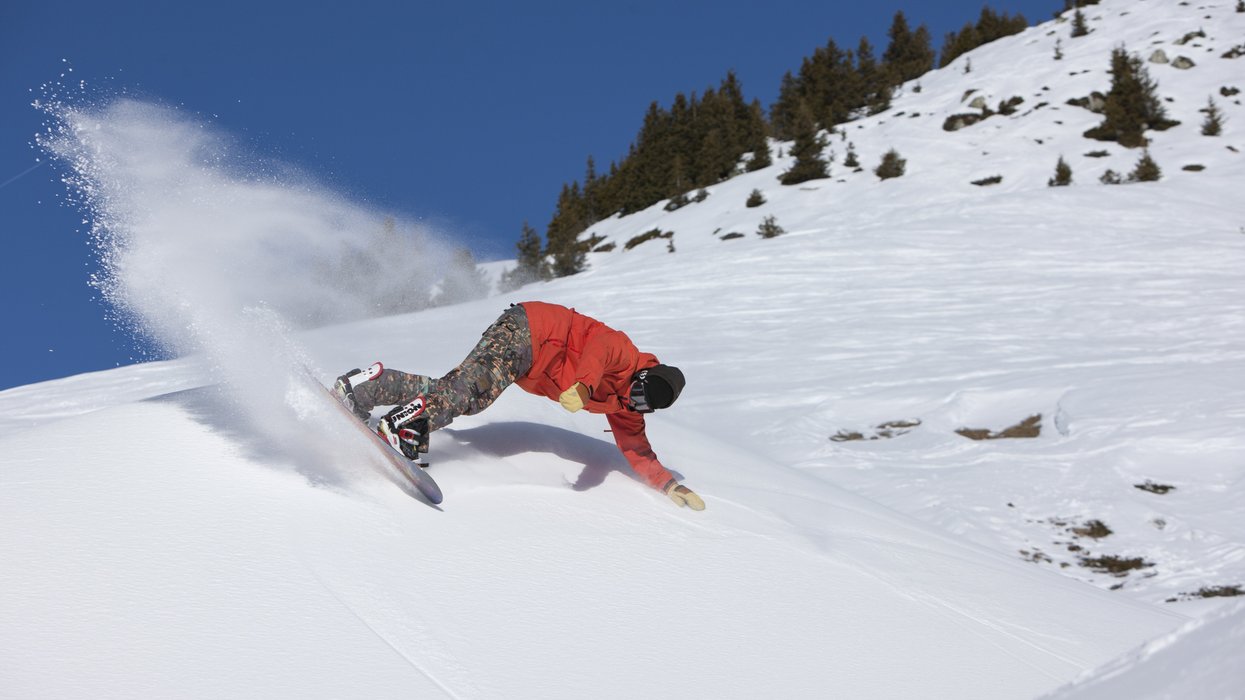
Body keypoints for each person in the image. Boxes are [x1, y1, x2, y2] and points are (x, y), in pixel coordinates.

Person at [333, 301, 704, 510]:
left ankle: (366, 388)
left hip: (528, 357)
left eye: (643, 405)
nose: (635, 402)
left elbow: (636, 448)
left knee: (460, 389)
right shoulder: (625, 354)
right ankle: (405, 427)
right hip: (532, 332)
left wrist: (669, 485)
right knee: (473, 389)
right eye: (639, 392)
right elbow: (598, 350)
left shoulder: (628, 407)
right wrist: (584, 387)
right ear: (644, 375)